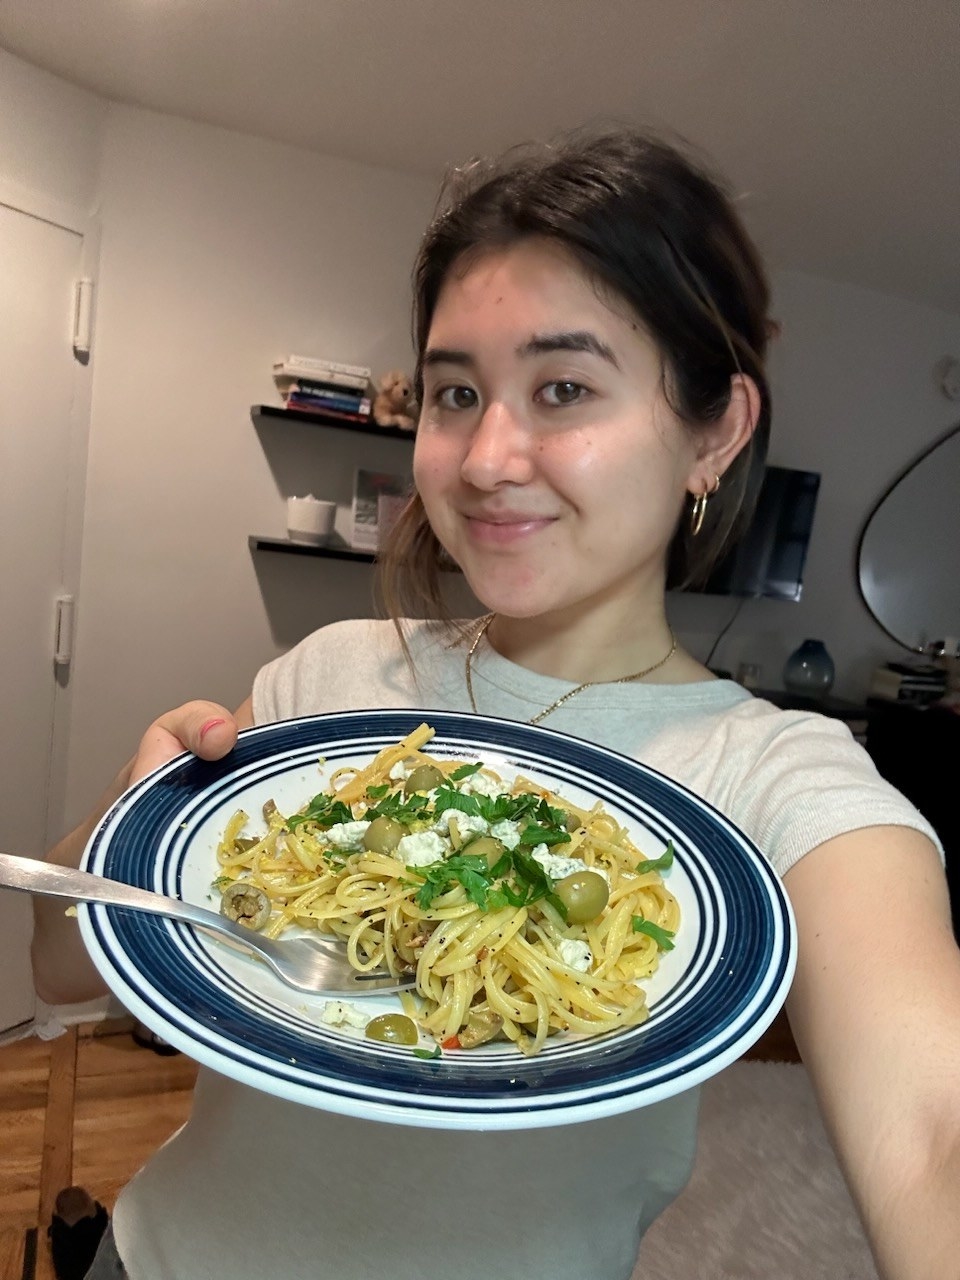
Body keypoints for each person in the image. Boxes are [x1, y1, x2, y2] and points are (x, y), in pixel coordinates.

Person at [32, 129, 960, 1280]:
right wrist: (140, 812)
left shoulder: (780, 775)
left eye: (564, 387)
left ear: (713, 429)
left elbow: (932, 1136)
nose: (486, 456)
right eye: (456, 391)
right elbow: (62, 966)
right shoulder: (330, 679)